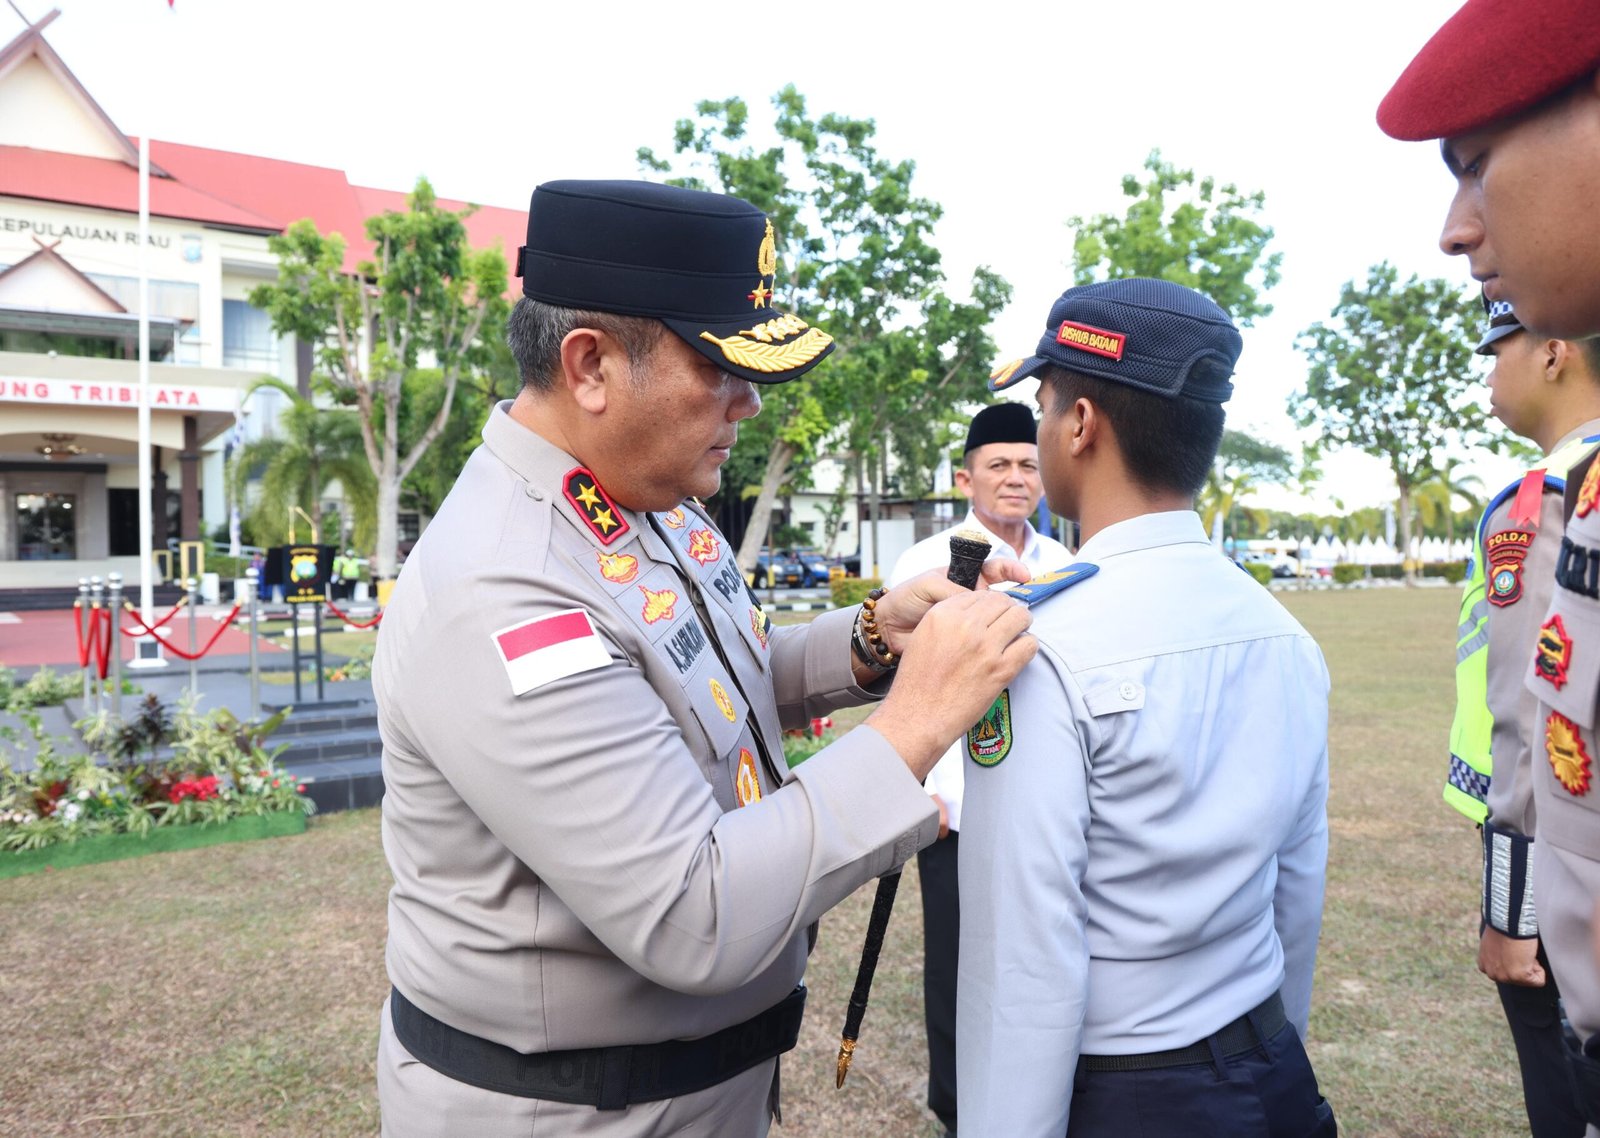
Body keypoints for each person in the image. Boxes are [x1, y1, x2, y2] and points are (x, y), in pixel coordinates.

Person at [371, 179, 1037, 1138]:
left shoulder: (644, 500)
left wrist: (871, 639)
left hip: (688, 1086)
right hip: (576, 1111)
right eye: (720, 367)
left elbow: (708, 684)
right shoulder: (506, 586)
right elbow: (695, 913)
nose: (749, 404)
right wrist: (917, 722)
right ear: (590, 365)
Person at [955, 278, 1335, 1136]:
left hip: (1130, 1094)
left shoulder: (1039, 645)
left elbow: (1024, 958)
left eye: (1045, 408)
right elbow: (1296, 889)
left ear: (1081, 425)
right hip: (1272, 1072)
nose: (1041, 432)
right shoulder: (1284, 635)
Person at [1381, 4, 1600, 1127]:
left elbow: (1530, 730)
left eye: (1475, 164)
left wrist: (1511, 903)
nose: (1456, 230)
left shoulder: (1547, 499)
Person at [885, 399, 1072, 1138]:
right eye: (999, 465)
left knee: (1039, 959)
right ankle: (958, 1110)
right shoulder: (928, 564)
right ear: (966, 478)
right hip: (957, 807)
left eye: (1028, 463)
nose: (1016, 477)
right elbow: (907, 688)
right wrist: (924, 790)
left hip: (1043, 801)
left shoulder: (1063, 561)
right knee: (957, 963)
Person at [1447, 296, 1600, 1138]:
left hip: (1559, 862)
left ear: (1552, 352)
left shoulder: (1546, 497)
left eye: (1497, 348)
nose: (1488, 371)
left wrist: (1512, 914)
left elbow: (1535, 708)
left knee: (1565, 1093)